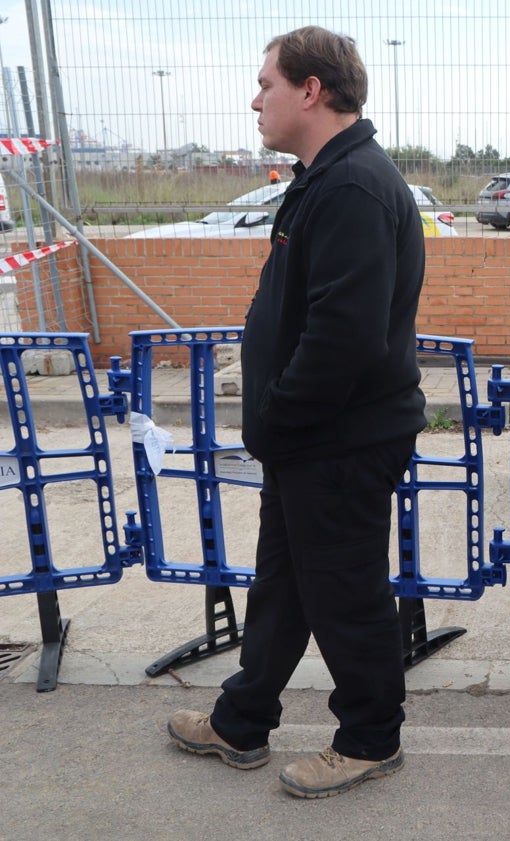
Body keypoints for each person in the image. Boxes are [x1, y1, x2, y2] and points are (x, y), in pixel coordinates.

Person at [166, 26, 428, 799]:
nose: (256, 99)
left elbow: (341, 337)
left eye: (267, 84)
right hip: (309, 437)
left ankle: (370, 738)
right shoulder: (322, 177)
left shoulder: (351, 186)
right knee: (283, 586)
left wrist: (276, 417)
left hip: (337, 438)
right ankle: (241, 720)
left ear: (311, 90)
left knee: (345, 592)